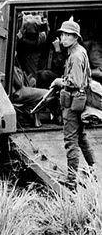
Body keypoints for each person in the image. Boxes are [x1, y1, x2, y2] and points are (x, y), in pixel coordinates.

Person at [50, 18, 95, 190]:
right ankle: (92, 170)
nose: (64, 38)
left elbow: (75, 81)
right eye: (63, 34)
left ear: (76, 37)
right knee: (81, 138)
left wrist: (59, 82)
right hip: (79, 99)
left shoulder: (75, 56)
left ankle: (71, 180)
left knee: (71, 142)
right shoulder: (80, 51)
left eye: (68, 35)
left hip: (73, 101)